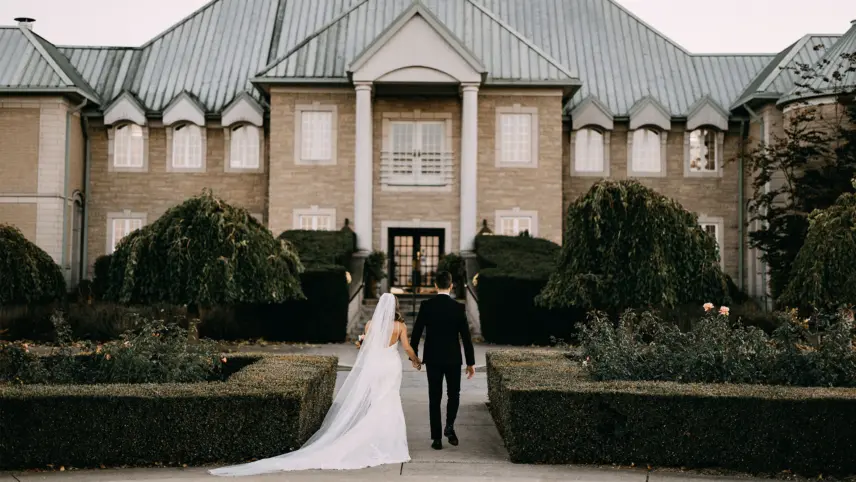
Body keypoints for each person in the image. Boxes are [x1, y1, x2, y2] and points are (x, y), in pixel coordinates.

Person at [209, 293, 420, 476]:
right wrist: (416, 360)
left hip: (375, 366)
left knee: (376, 400)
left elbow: (363, 346)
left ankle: (374, 437)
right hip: (390, 365)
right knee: (389, 398)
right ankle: (387, 442)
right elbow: (407, 348)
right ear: (396, 308)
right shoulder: (400, 326)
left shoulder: (370, 325)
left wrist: (361, 342)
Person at [409, 270, 476, 451]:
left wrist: (413, 356)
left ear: (435, 286)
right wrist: (470, 363)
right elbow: (466, 338)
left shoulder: (426, 305)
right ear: (451, 285)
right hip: (453, 358)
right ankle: (449, 426)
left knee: (434, 397)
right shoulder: (459, 308)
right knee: (454, 395)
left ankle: (437, 439)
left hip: (433, 358)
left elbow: (416, 333)